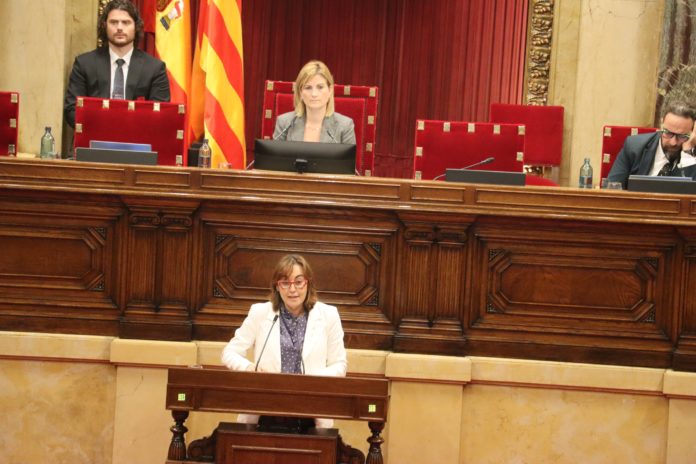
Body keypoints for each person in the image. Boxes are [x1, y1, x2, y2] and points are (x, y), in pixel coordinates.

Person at [221, 254, 347, 429]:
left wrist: (314, 380)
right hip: (265, 408)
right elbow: (230, 353)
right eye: (285, 283)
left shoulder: (328, 315)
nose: (292, 289)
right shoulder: (260, 313)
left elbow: (339, 364)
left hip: (311, 409)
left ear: (308, 283)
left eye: (299, 281)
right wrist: (250, 369)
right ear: (277, 287)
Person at [63, 0, 170, 127]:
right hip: (93, 140)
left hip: (137, 142)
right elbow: (71, 110)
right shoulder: (84, 64)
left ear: (136, 26)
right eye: (114, 22)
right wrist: (102, 130)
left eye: (126, 22)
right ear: (104, 25)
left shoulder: (155, 69)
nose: (119, 27)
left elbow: (160, 115)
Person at [607, 100, 696, 188]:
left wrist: (687, 152)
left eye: (682, 136)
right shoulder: (634, 146)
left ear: (692, 132)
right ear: (661, 125)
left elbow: (690, 196)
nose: (673, 142)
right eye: (668, 133)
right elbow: (612, 189)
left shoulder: (692, 157)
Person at [273, 60, 356, 144]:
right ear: (300, 92)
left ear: (330, 90)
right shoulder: (284, 123)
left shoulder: (345, 126)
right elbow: (274, 156)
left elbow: (348, 157)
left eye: (320, 87)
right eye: (308, 87)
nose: (314, 94)